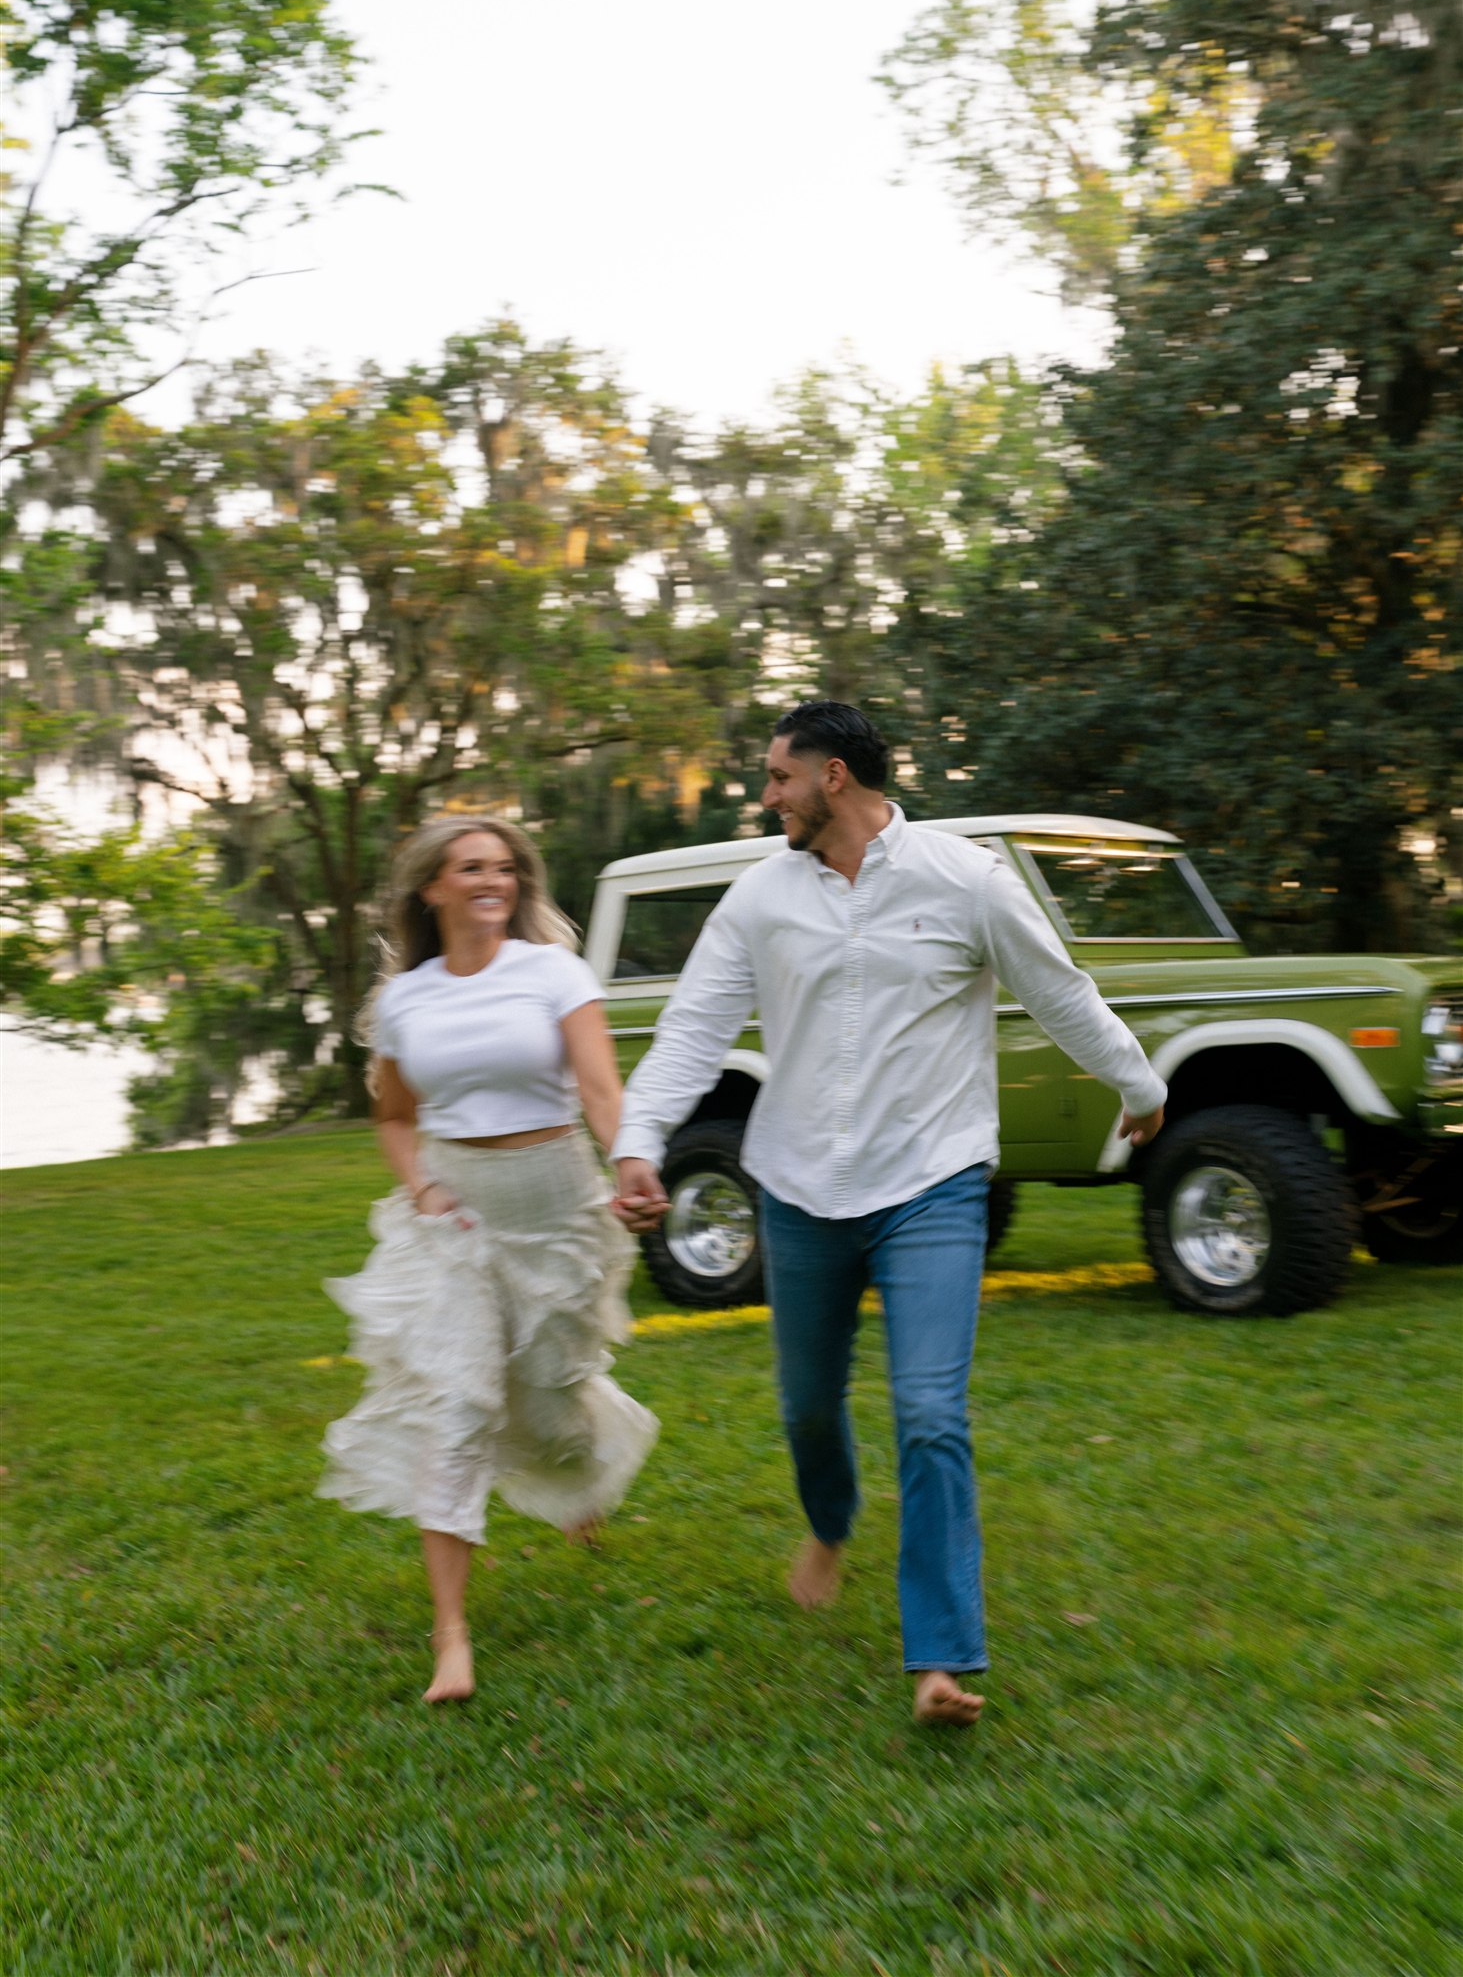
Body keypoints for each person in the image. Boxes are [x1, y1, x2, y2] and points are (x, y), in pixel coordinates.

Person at [612, 702, 1165, 1728]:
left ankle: (942, 1658)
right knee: (807, 1408)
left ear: (830, 776)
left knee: (928, 1412)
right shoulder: (757, 898)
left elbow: (1057, 987)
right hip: (800, 1186)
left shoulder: (963, 878)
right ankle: (830, 1520)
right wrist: (638, 1139)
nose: (764, 794)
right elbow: (692, 1029)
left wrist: (1136, 1086)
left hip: (933, 1181)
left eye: (776, 777)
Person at [319, 815, 658, 1703]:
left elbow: (597, 1087)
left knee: (550, 1408)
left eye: (504, 868)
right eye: (470, 868)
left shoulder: (552, 973)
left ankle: (577, 1477)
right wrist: (423, 1187)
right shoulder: (407, 999)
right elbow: (393, 1115)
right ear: (432, 887)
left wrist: (629, 1160)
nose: (490, 881)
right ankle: (452, 1640)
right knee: (459, 1411)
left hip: (554, 1209)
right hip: (459, 1223)